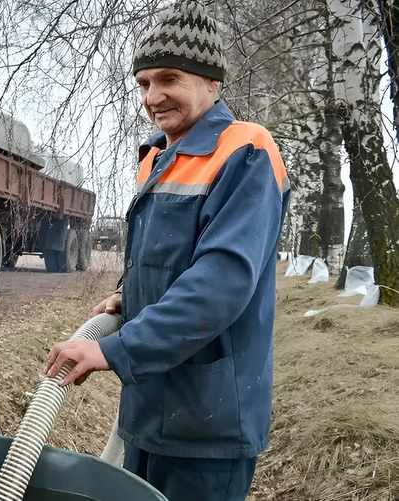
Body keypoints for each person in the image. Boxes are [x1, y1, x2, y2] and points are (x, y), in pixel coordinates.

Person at [45, 3, 290, 500]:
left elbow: (219, 284)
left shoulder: (246, 151)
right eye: (143, 83)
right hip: (149, 408)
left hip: (207, 420)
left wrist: (114, 349)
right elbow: (164, 259)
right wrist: (126, 296)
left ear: (211, 82)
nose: (153, 97)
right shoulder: (158, 158)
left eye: (169, 79)